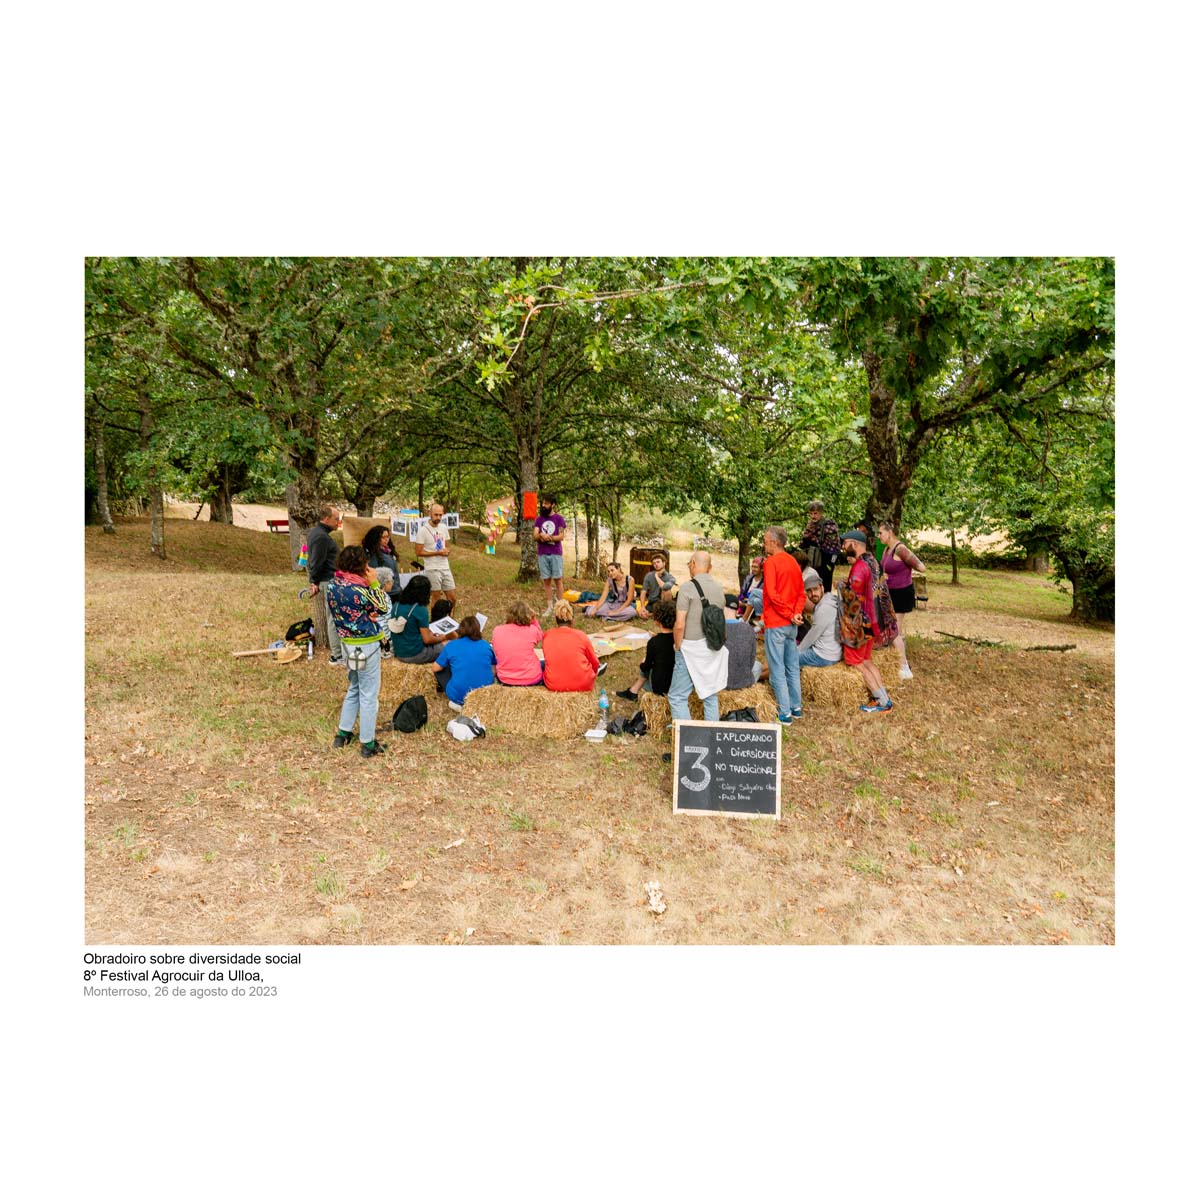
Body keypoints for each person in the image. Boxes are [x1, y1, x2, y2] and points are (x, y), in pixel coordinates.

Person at [327, 545, 390, 758]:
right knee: (369, 694)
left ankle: (343, 734)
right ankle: (367, 743)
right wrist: (375, 583)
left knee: (355, 686)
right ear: (361, 565)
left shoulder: (333, 585)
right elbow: (383, 608)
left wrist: (366, 613)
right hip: (367, 646)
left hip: (348, 645)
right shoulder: (361, 590)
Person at [668, 550, 729, 724]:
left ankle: (686, 736)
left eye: (689, 564)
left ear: (693, 563)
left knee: (677, 696)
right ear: (710, 567)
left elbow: (679, 625)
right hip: (712, 647)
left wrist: (677, 646)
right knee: (710, 695)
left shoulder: (687, 588)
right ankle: (711, 734)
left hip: (691, 648)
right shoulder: (719, 588)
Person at [840, 530, 893, 713]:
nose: (843, 547)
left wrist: (842, 587)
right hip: (873, 620)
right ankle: (884, 698)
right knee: (867, 660)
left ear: (854, 544)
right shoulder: (873, 562)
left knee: (857, 663)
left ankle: (881, 701)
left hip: (860, 625)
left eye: (846, 543)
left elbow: (853, 598)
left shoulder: (859, 567)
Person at [761, 525, 804, 725]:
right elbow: (801, 593)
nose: (764, 545)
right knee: (792, 666)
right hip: (791, 623)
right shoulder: (793, 562)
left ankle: (784, 713)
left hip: (776, 622)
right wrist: (796, 613)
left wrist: (788, 613)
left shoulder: (771, 562)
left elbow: (772, 594)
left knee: (777, 667)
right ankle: (796, 707)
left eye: (765, 541)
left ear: (774, 542)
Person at [790, 568, 841, 718]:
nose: (813, 594)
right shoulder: (830, 600)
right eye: (809, 591)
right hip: (832, 650)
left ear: (822, 587)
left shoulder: (824, 609)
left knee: (787, 659)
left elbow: (811, 637)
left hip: (824, 655)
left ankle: (759, 676)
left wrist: (795, 651)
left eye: (815, 589)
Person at [878, 520, 925, 680]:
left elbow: (921, 567)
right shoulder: (887, 549)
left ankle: (904, 667)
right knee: (895, 629)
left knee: (895, 630)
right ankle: (898, 661)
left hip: (902, 593)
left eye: (881, 533)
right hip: (890, 593)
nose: (879, 536)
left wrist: (905, 572)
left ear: (890, 532)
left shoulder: (901, 549)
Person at [305, 503, 344, 665]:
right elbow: (316, 562)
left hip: (331, 580)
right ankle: (337, 655)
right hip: (329, 581)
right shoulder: (320, 536)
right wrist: (314, 581)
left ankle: (339, 652)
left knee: (335, 617)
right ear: (326, 519)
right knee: (334, 619)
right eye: (336, 519)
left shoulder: (320, 534)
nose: (338, 522)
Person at [431, 615, 496, 711]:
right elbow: (493, 671)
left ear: (460, 630)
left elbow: (435, 668)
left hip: (459, 697)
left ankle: (457, 701)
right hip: (485, 694)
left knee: (441, 669)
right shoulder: (486, 645)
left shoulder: (451, 645)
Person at [617, 599, 677, 701]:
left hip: (659, 687)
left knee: (647, 662)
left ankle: (633, 692)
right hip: (676, 682)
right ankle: (633, 691)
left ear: (657, 621)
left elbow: (646, 667)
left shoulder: (654, 642)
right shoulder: (679, 639)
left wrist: (642, 664)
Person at [389, 575, 454, 664]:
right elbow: (427, 639)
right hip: (415, 654)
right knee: (452, 644)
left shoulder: (396, 605)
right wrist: (443, 637)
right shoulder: (420, 609)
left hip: (399, 652)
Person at [541, 600, 602, 692]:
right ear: (572, 620)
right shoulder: (581, 636)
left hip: (554, 684)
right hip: (583, 683)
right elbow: (595, 662)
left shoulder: (547, 635)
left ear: (556, 620)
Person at [413, 501, 456, 610]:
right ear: (430, 514)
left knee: (452, 598)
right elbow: (418, 552)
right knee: (436, 598)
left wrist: (447, 551)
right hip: (432, 568)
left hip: (445, 567)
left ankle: (450, 619)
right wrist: (437, 552)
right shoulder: (423, 530)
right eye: (436, 515)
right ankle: (434, 619)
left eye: (440, 515)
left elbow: (447, 546)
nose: (438, 517)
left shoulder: (443, 527)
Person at [492, 600, 544, 687]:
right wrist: (534, 620)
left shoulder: (497, 630)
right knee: (545, 663)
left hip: (505, 679)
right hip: (531, 678)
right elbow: (541, 636)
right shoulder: (532, 630)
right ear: (528, 615)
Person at [533, 494, 567, 617]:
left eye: (546, 503)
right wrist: (541, 535)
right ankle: (550, 607)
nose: (543, 505)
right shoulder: (539, 519)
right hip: (542, 553)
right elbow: (535, 536)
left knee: (558, 580)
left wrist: (550, 537)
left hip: (555, 553)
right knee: (546, 581)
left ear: (553, 504)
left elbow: (561, 536)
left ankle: (561, 607)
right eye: (543, 503)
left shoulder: (559, 519)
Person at [800, 501, 841, 594]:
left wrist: (830, 562)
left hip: (826, 560)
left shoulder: (829, 525)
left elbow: (834, 546)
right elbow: (804, 542)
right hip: (812, 559)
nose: (813, 516)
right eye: (811, 513)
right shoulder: (810, 525)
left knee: (825, 585)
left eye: (815, 513)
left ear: (821, 513)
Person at [723, 605, 763, 690]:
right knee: (758, 666)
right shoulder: (748, 628)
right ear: (737, 611)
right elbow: (751, 659)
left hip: (721, 680)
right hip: (742, 681)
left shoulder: (717, 627)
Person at [362, 524, 402, 601]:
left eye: (387, 537)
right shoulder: (373, 555)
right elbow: (374, 575)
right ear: (376, 539)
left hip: (396, 590)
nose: (386, 539)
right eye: (383, 537)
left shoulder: (388, 551)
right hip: (386, 594)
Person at [636, 552, 676, 618]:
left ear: (664, 563)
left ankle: (659, 613)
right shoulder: (649, 576)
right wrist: (642, 607)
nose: (656, 564)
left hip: (664, 603)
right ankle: (653, 614)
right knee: (642, 614)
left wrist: (656, 576)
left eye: (658, 562)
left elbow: (665, 587)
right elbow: (643, 591)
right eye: (654, 563)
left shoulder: (670, 577)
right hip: (652, 602)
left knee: (667, 591)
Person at [736, 557, 765, 623]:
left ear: (762, 569)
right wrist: (740, 601)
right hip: (745, 601)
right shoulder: (748, 578)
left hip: (754, 605)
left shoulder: (764, 582)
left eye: (756, 567)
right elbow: (742, 593)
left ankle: (746, 618)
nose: (753, 569)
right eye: (752, 566)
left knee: (756, 599)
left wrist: (747, 603)